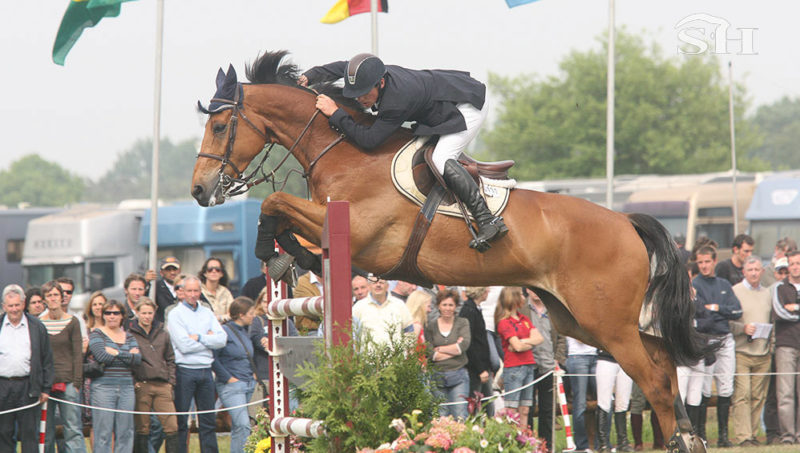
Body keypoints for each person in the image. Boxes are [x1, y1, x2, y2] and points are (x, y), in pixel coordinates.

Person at [299, 53, 507, 251]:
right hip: (448, 95)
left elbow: (369, 140)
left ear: (381, 83)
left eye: (365, 93)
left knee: (441, 159)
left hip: (467, 106)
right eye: (356, 93)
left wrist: (336, 113)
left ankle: (487, 219)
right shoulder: (372, 73)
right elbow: (344, 67)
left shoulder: (397, 101)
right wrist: (310, 75)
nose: (360, 99)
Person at [167, 275, 227, 453]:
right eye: (189, 291)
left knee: (208, 420)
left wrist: (200, 337)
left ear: (200, 291)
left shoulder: (207, 312)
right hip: (184, 371)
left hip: (206, 371)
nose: (193, 294)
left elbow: (222, 339)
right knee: (181, 420)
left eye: (196, 290)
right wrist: (209, 340)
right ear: (182, 292)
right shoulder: (175, 314)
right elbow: (184, 346)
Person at [693, 245, 743, 447]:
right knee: (704, 388)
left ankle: (723, 436)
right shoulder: (695, 284)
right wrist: (718, 313)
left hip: (725, 339)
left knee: (726, 386)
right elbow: (702, 316)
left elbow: (737, 310)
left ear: (714, 261)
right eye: (700, 262)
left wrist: (717, 308)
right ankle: (702, 436)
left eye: (707, 261)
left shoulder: (724, 284)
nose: (704, 266)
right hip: (706, 340)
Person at [0, 284, 54, 453]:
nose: (14, 309)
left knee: (29, 433)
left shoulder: (37, 326)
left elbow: (47, 359)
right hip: (3, 387)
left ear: (23, 304)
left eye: (17, 305)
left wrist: (45, 388)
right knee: (3, 433)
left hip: (28, 386)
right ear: (4, 306)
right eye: (10, 305)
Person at [88, 298, 142, 453]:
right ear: (103, 315)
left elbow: (137, 359)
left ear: (122, 316)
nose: (112, 316)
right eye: (108, 313)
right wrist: (127, 355)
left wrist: (116, 353)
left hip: (127, 387)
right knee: (103, 431)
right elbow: (101, 356)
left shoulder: (129, 336)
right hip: (103, 387)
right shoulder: (97, 334)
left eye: (116, 313)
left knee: (126, 431)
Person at [730, 256, 773, 446]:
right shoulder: (735, 291)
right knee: (742, 395)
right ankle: (743, 436)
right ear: (744, 272)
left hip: (763, 353)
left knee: (758, 396)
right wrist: (743, 328)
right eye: (750, 270)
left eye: (757, 270)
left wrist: (771, 347)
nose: (754, 273)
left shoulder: (767, 293)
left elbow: (773, 321)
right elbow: (727, 321)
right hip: (742, 352)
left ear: (762, 272)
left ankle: (753, 435)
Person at [39, 281, 86, 453]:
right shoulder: (39, 323)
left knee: (73, 428)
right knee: (46, 430)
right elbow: (38, 355)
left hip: (69, 382)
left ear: (62, 297)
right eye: (49, 295)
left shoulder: (73, 322)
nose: (53, 298)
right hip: (46, 384)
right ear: (44, 299)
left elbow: (77, 354)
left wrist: (77, 382)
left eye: (56, 295)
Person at [129, 297, 179, 453]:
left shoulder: (163, 333)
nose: (147, 316)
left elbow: (170, 358)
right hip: (142, 384)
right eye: (143, 313)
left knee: (171, 426)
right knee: (142, 427)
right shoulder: (130, 334)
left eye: (150, 313)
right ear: (137, 313)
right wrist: (134, 381)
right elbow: (128, 361)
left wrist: (171, 382)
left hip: (163, 384)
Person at [495, 286, 543, 431]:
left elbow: (539, 338)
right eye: (521, 295)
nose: (524, 297)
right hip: (514, 368)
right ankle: (513, 437)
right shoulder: (504, 322)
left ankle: (524, 437)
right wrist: (526, 342)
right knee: (512, 409)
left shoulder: (524, 319)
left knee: (525, 409)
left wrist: (522, 341)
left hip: (529, 365)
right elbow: (517, 347)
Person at [214, 297, 258, 453]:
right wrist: (228, 378)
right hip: (232, 385)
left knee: (240, 427)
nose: (254, 316)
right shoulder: (224, 331)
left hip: (248, 382)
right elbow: (214, 358)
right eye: (251, 313)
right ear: (241, 315)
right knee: (243, 424)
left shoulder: (245, 331)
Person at [424, 289, 471, 419]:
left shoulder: (463, 323)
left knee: (460, 415)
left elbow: (463, 346)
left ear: (456, 306)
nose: (448, 308)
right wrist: (453, 349)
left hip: (459, 375)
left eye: (451, 305)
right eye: (444, 304)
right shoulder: (430, 326)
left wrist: (439, 349)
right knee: (441, 417)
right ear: (438, 306)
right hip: (437, 377)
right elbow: (430, 353)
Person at [772, 250, 800, 444]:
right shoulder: (779, 287)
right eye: (792, 264)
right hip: (786, 345)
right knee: (785, 393)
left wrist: (795, 307)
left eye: (798, 263)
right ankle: (788, 436)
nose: (795, 267)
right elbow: (780, 312)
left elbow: (790, 311)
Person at [526, 288, 556, 451]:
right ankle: (528, 445)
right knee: (527, 409)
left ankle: (547, 446)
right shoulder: (522, 309)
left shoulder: (553, 310)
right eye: (532, 289)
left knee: (547, 410)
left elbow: (561, 337)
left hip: (549, 366)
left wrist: (559, 359)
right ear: (527, 289)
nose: (536, 292)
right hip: (528, 365)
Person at [352, 276, 413, 346]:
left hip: (395, 353)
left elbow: (409, 331)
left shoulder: (399, 305)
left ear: (387, 286)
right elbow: (354, 335)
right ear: (369, 286)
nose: (378, 285)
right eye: (374, 283)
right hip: (368, 353)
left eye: (381, 282)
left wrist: (407, 349)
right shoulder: (358, 307)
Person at [595, 349, 634, 452]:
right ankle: (603, 443)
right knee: (604, 402)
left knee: (623, 403)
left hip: (625, 360)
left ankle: (622, 441)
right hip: (606, 359)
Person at [459, 287, 492, 409]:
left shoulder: (475, 309)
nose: (488, 292)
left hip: (482, 365)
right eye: (486, 290)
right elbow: (470, 343)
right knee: (475, 406)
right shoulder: (469, 311)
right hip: (475, 368)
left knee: (488, 405)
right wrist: (480, 369)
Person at [566, 336, 598, 451]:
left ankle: (602, 443)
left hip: (596, 356)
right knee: (580, 403)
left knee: (604, 402)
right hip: (577, 356)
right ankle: (582, 445)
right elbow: (580, 338)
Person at [199, 257, 235, 323]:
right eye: (210, 269)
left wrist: (220, 318)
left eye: (217, 269)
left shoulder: (226, 292)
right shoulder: (198, 291)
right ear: (205, 273)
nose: (214, 271)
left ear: (221, 274)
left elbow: (233, 314)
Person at [293, 270, 324, 334]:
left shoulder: (336, 281)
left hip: (334, 328)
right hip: (311, 331)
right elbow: (311, 312)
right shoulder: (301, 282)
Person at [154, 256, 182, 323]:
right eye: (168, 270)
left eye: (175, 269)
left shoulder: (187, 287)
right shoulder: (155, 288)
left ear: (179, 271)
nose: (172, 273)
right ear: (161, 273)